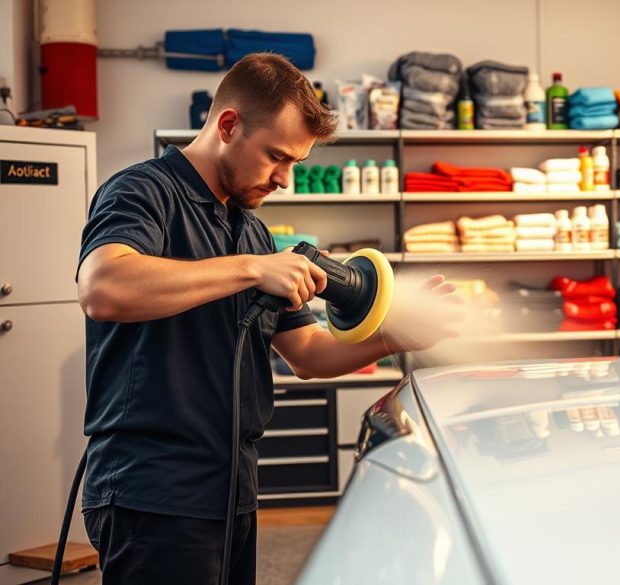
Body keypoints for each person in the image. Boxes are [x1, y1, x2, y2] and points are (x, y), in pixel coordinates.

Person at [75, 52, 458, 584]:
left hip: (232, 487)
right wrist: (253, 269)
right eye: (276, 156)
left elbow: (307, 354)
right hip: (154, 492)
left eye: (294, 163)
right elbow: (104, 288)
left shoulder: (250, 230)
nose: (283, 179)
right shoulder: (143, 192)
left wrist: (392, 336)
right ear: (228, 125)